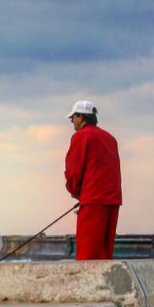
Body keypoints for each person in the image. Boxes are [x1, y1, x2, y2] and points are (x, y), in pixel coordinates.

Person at [64, 100, 122, 260]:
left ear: (81, 117)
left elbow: (74, 169)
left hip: (93, 199)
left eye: (73, 117)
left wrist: (75, 191)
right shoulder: (110, 138)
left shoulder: (81, 136)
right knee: (105, 251)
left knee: (87, 253)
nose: (71, 121)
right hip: (113, 200)